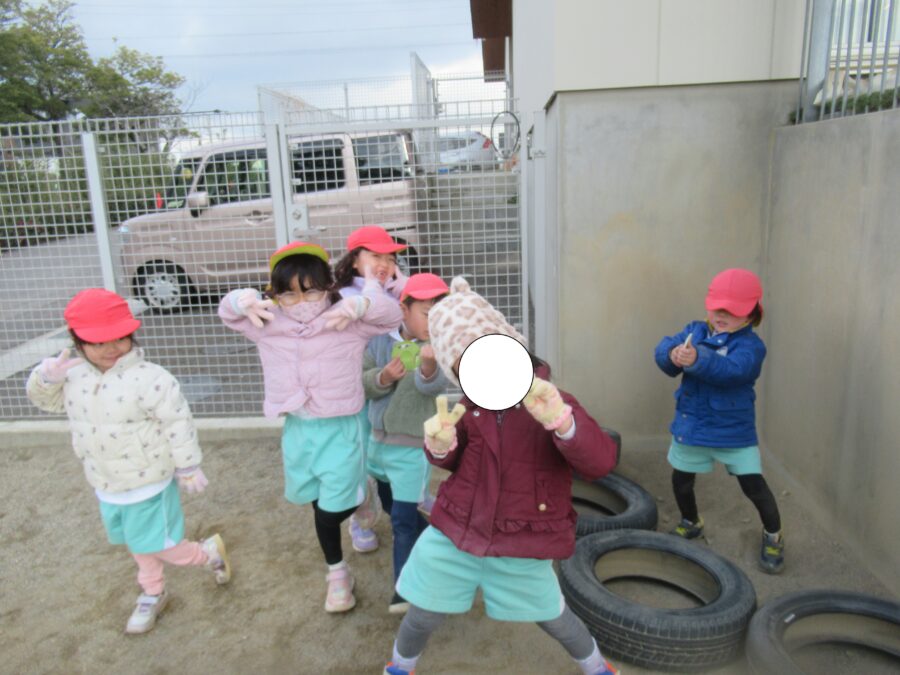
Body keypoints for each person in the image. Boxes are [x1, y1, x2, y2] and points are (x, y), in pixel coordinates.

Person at [383, 277, 620, 675]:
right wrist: (439, 446)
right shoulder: (470, 406)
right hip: (456, 531)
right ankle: (400, 667)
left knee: (554, 617)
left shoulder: (551, 400)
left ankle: (597, 667)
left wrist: (564, 424)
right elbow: (454, 462)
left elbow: (600, 462)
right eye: (463, 364)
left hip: (523, 536)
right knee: (422, 614)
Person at [25, 289, 231, 635]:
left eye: (119, 338)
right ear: (77, 341)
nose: (111, 348)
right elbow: (47, 402)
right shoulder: (73, 375)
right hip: (105, 480)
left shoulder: (151, 377)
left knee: (161, 544)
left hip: (149, 479)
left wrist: (188, 465)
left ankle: (207, 552)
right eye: (98, 342)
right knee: (137, 543)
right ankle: (152, 591)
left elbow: (177, 422)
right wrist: (46, 379)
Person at [218, 241, 402, 612]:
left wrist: (366, 298)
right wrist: (241, 300)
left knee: (332, 510)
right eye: (289, 294)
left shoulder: (345, 317)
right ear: (275, 294)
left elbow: (391, 316)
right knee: (318, 501)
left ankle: (359, 501)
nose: (301, 302)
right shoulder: (268, 322)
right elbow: (228, 314)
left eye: (312, 291)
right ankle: (337, 572)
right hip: (298, 429)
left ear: (327, 286)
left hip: (341, 426)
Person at [654, 268, 785, 574]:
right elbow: (664, 349)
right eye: (717, 308)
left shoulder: (751, 346)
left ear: (751, 314)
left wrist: (698, 359)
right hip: (692, 426)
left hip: (733, 432)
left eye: (733, 310)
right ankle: (691, 521)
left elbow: (733, 371)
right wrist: (672, 354)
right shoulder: (696, 330)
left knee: (754, 486)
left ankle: (774, 535)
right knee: (681, 481)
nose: (722, 315)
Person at [361, 273, 451, 614]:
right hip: (377, 444)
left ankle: (404, 589)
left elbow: (433, 387)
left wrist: (428, 366)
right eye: (427, 314)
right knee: (392, 505)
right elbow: (363, 382)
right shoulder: (378, 342)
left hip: (412, 448)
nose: (434, 323)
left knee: (401, 520)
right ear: (404, 310)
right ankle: (439, 535)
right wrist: (383, 376)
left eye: (441, 316)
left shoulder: (438, 348)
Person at [333, 225, 422, 553]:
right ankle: (360, 518)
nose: (384, 264)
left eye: (390, 258)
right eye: (375, 256)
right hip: (354, 392)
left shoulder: (394, 291)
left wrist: (404, 288)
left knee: (388, 451)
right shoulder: (342, 297)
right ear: (355, 260)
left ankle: (403, 504)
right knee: (358, 457)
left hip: (388, 386)